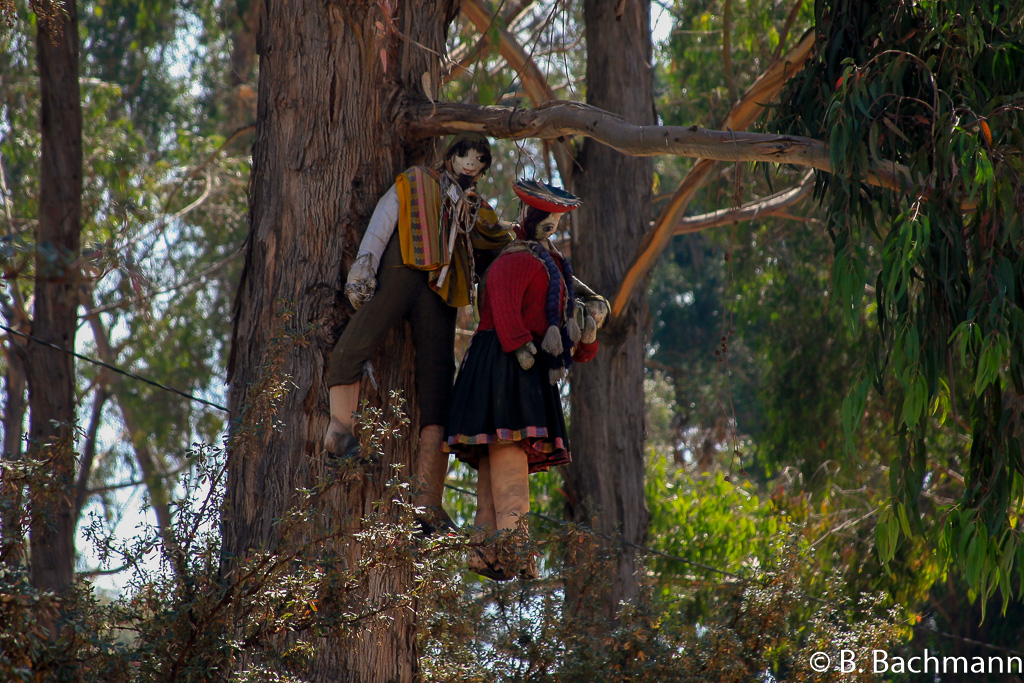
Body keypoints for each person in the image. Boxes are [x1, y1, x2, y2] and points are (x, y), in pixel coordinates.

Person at [325, 133, 512, 535]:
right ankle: (339, 433)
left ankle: (427, 501)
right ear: (451, 155)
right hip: (401, 270)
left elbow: (504, 249)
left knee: (440, 382)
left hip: (441, 293)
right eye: (465, 155)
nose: (470, 164)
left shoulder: (478, 211)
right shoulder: (415, 180)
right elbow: (384, 217)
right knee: (360, 337)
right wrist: (365, 262)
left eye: (479, 160)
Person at [445, 180, 609, 580]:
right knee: (508, 447)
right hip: (505, 361)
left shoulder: (551, 266)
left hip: (520, 365)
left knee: (496, 454)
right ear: (528, 218)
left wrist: (587, 332)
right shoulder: (517, 258)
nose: (550, 227)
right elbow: (500, 294)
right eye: (545, 220)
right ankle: (514, 545)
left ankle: (486, 549)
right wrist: (518, 344)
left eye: (555, 222)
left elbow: (563, 324)